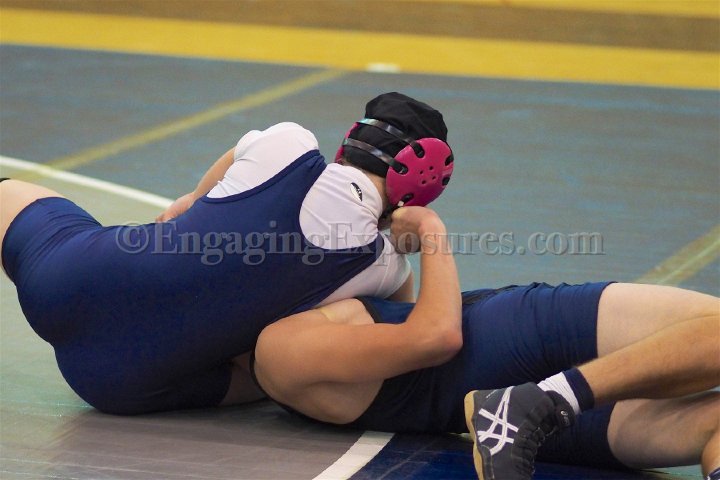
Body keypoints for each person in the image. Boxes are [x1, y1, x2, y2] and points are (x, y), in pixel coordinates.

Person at [0, 92, 454, 415]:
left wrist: (197, 211)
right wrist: (406, 240)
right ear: (424, 187)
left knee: (9, 194)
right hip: (118, 385)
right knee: (268, 366)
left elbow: (183, 207)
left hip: (72, 276)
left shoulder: (288, 144)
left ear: (349, 141)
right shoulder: (384, 270)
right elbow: (391, 330)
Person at [245, 206, 720, 479]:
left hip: (499, 422)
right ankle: (542, 402)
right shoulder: (281, 345)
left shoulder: (270, 360)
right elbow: (438, 335)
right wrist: (431, 230)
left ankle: (537, 405)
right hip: (513, 338)